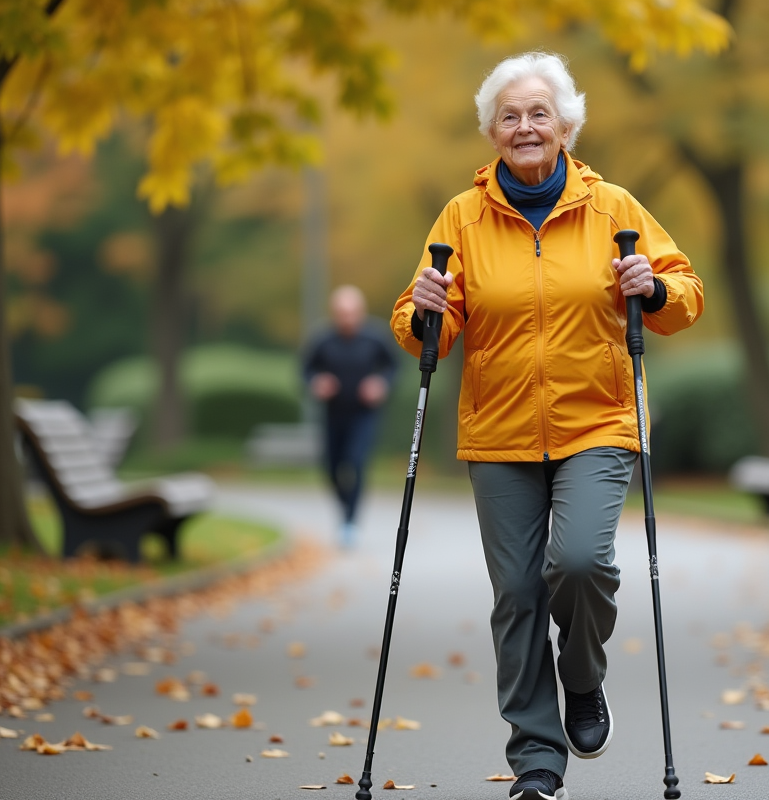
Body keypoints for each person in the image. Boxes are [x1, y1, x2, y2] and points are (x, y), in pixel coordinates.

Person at [390, 52, 703, 800]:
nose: (525, 126)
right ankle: (536, 757)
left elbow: (686, 294)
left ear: (566, 125)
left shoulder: (614, 209)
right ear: (492, 132)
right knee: (518, 596)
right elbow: (420, 327)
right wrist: (425, 308)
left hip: (599, 419)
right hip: (498, 433)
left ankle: (583, 676)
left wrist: (651, 285)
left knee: (581, 565)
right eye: (509, 115)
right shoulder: (462, 219)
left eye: (539, 113)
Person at [303, 285, 398, 548]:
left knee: (355, 463)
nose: (347, 318)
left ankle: (350, 522)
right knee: (331, 468)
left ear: (361, 312)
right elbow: (306, 370)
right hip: (334, 414)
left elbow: (393, 367)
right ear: (334, 314)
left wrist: (381, 383)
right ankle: (346, 508)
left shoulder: (375, 338)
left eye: (351, 313)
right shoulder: (323, 340)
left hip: (363, 415)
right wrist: (317, 382)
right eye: (341, 313)